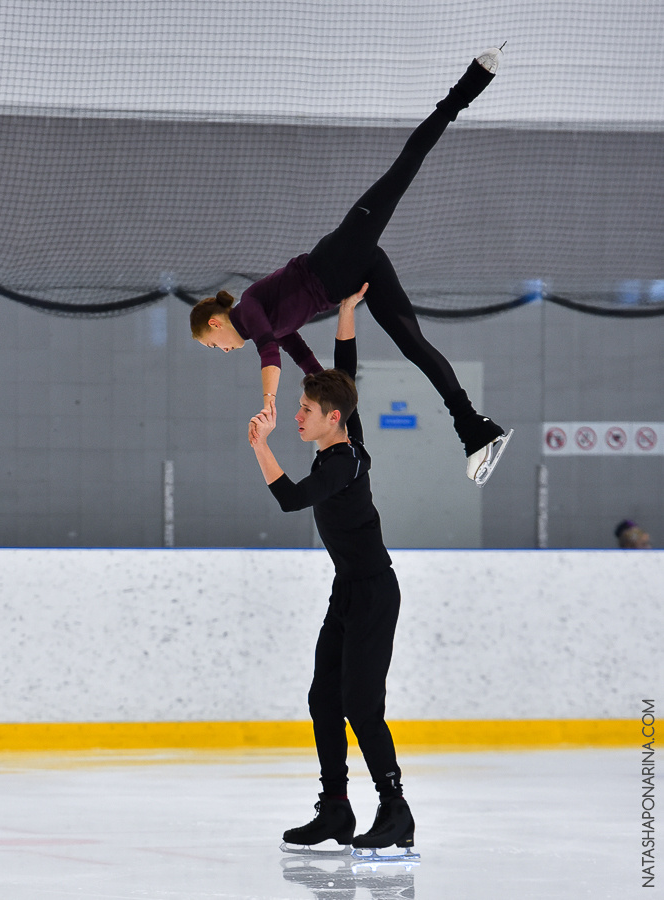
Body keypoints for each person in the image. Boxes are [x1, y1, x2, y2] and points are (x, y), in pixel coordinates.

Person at [192, 47, 512, 485]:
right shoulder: (270, 325)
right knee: (414, 345)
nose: (223, 351)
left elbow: (268, 350)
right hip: (353, 277)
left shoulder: (248, 307)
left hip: (337, 257)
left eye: (214, 345)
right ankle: (475, 430)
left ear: (215, 322)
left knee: (402, 171)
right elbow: (308, 363)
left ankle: (466, 88)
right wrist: (334, 401)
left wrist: (269, 400)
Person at [248, 288, 415, 855]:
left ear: (332, 420)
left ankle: (396, 810)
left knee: (361, 704)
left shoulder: (343, 462)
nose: (297, 417)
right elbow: (344, 374)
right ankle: (337, 810)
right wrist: (345, 316)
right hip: (348, 592)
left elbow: (291, 500)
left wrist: (260, 446)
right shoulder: (345, 438)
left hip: (373, 594)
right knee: (325, 699)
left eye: (305, 412)